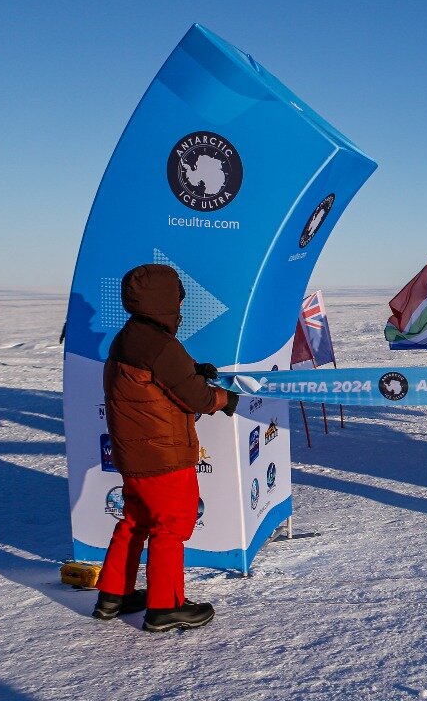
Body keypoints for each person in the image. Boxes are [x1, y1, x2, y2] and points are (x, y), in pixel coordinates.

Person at [93, 264, 240, 631]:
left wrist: (193, 367)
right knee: (170, 527)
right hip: (164, 457)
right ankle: (165, 606)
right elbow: (195, 398)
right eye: (177, 298)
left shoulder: (130, 336)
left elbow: (165, 374)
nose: (181, 306)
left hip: (134, 455)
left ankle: (114, 594)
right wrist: (224, 399)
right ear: (165, 302)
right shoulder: (160, 344)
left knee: (135, 521)